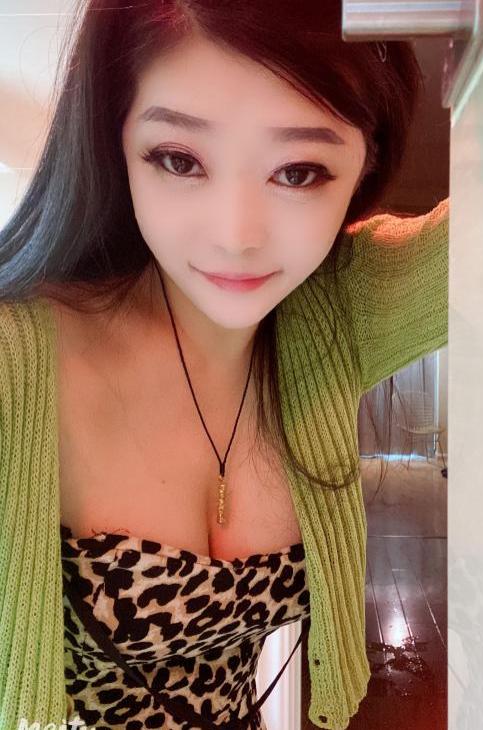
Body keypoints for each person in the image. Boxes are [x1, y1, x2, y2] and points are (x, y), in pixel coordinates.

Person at [0, 1, 449, 729]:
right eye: (180, 160)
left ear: (364, 165)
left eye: (299, 171)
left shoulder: (336, 315)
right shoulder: (16, 361)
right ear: (114, 142)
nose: (236, 236)